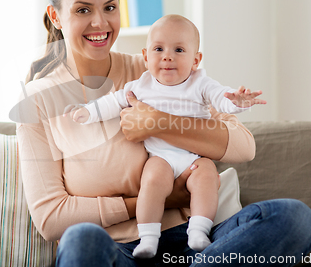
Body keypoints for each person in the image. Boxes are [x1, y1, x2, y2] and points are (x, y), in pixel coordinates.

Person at [12, 0, 311, 267]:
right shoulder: (38, 101)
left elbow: (243, 146)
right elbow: (50, 219)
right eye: (83, 10)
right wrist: (157, 199)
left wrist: (159, 122)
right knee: (80, 239)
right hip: (114, 251)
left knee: (294, 218)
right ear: (56, 16)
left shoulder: (156, 67)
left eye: (110, 7)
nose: (100, 22)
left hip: (194, 244)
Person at [63, 14, 267, 259]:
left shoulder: (200, 84)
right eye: (159, 49)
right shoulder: (141, 85)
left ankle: (199, 230)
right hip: (160, 157)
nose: (167, 56)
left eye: (179, 50)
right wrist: (87, 112)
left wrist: (238, 101)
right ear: (146, 56)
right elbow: (112, 102)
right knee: (151, 181)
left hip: (193, 158)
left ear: (196, 60)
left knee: (207, 175)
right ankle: (148, 238)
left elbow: (222, 99)